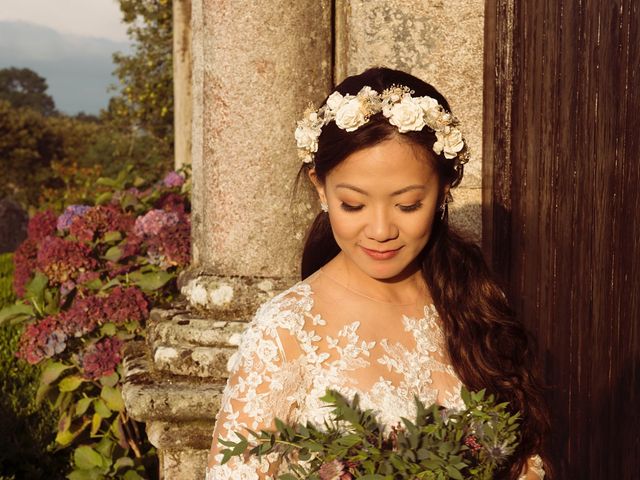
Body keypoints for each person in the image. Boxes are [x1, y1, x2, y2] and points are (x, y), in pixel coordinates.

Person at [206, 67, 550, 480]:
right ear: (321, 187)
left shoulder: (475, 302)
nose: (382, 231)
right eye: (353, 205)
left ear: (443, 190)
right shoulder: (287, 331)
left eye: (407, 205)